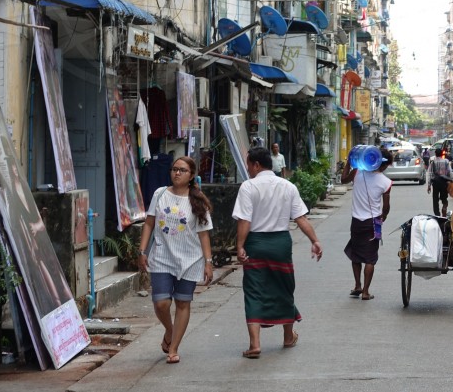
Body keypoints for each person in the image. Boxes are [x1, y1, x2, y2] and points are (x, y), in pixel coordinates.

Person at [233, 147, 322, 359]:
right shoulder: (287, 186)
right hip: (281, 243)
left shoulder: (248, 187)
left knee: (254, 291)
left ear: (256, 164)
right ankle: (288, 336)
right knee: (284, 288)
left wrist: (240, 246)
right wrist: (315, 240)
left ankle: (255, 344)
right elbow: (301, 218)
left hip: (256, 242)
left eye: (248, 164)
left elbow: (244, 220)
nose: (247, 168)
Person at [138, 156, 213, 364]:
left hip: (190, 259)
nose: (176, 173)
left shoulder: (197, 201)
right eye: (174, 169)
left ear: (191, 176)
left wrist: (208, 261)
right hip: (162, 256)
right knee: (161, 303)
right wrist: (142, 250)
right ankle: (170, 331)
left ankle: (173, 348)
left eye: (182, 170)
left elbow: (204, 233)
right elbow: (149, 223)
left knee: (182, 302)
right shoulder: (160, 194)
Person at [341, 147, 392, 301]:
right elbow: (386, 206)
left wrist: (349, 163)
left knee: (356, 254)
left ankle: (357, 285)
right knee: (370, 257)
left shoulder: (357, 172)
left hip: (356, 221)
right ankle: (365, 292)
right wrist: (384, 216)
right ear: (384, 164)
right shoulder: (386, 182)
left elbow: (343, 180)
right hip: (374, 222)